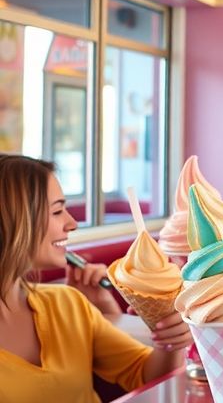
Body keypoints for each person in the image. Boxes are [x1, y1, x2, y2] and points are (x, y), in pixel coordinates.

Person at [0, 155, 192, 402]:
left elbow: (145, 375)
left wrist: (170, 340)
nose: (72, 223)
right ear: (10, 221)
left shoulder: (67, 302)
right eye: (57, 211)